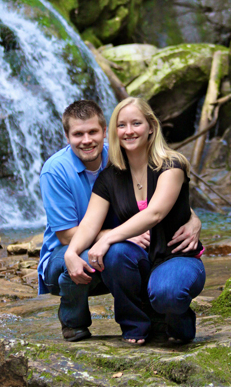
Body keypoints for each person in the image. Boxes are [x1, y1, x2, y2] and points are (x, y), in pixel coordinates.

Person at [37, 100, 201, 342]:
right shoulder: (73, 171)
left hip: (164, 253)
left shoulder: (149, 161)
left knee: (163, 289)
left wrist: (194, 218)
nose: (86, 140)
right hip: (71, 252)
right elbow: (77, 230)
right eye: (78, 134)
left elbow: (160, 207)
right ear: (66, 136)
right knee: (106, 253)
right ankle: (77, 322)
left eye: (92, 132)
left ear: (105, 132)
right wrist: (76, 250)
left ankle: (166, 319)